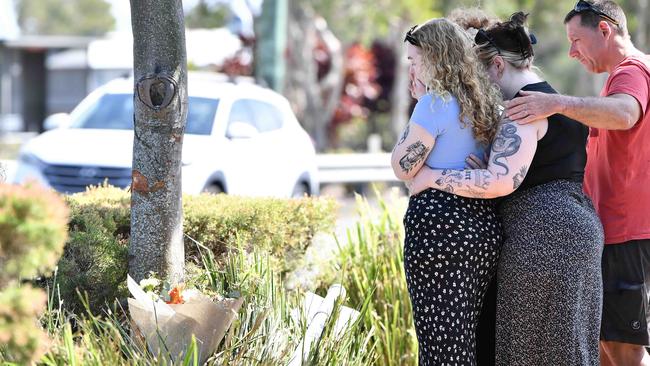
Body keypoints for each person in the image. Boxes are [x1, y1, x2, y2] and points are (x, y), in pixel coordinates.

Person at [407, 12, 604, 365]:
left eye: (479, 72)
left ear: (497, 66)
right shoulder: (552, 98)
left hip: (542, 236)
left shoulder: (523, 109)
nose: (476, 84)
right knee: (570, 349)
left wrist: (430, 178)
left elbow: (500, 180)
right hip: (575, 228)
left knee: (534, 352)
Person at [503, 1, 650, 364]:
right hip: (618, 230)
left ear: (605, 30)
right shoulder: (623, 76)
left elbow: (625, 113)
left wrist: (554, 103)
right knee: (605, 344)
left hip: (626, 231)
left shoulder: (630, 72)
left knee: (623, 346)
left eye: (576, 40)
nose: (571, 52)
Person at [390, 18, 503, 365]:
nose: (411, 68)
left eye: (414, 60)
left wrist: (420, 105)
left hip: (440, 230)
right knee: (469, 340)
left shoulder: (434, 103)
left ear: (435, 57)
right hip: (481, 228)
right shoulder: (484, 102)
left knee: (440, 346)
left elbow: (402, 167)